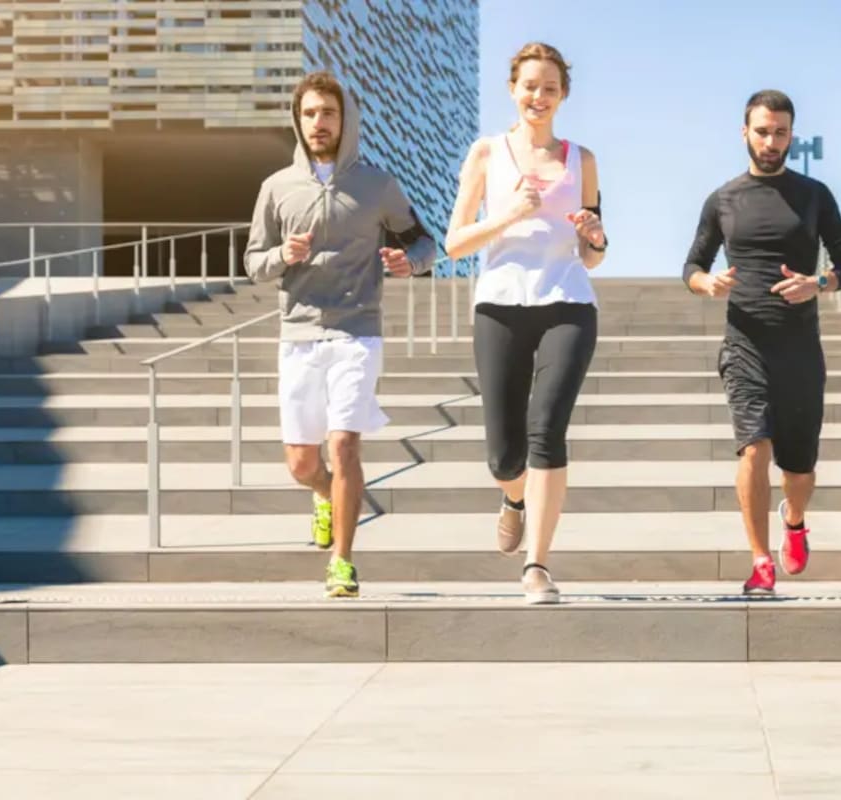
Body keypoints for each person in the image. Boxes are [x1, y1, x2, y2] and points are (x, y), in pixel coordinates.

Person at [244, 70, 435, 598]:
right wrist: (283, 255)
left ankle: (342, 561)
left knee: (344, 443)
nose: (318, 122)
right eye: (309, 113)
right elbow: (252, 262)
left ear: (345, 119)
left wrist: (409, 263)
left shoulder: (376, 184)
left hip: (357, 330)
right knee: (302, 463)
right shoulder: (276, 189)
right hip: (299, 333)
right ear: (297, 120)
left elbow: (426, 243)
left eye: (328, 113)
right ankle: (325, 495)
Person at [682, 89, 841, 594]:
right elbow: (692, 264)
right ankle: (760, 561)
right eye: (762, 131)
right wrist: (707, 283)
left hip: (800, 348)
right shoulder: (723, 200)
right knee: (753, 448)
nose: (771, 141)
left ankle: (795, 518)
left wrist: (819, 284)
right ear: (745, 132)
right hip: (745, 341)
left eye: (780, 132)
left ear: (791, 136)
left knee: (799, 469)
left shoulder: (814, 195)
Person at [445, 42, 607, 604]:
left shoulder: (581, 159)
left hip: (567, 301)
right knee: (504, 455)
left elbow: (592, 255)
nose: (539, 96)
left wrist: (595, 239)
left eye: (550, 88)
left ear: (563, 96)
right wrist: (509, 214)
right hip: (500, 303)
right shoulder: (488, 154)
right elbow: (453, 241)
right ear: (513, 89)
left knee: (547, 429)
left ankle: (536, 565)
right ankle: (513, 497)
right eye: (530, 86)